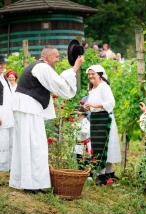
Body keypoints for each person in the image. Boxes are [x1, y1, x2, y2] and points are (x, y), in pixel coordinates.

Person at [9, 47, 84, 192]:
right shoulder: (42, 67)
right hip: (28, 108)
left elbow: (57, 81)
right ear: (48, 56)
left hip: (25, 107)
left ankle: (27, 182)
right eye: (56, 57)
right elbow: (60, 85)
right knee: (34, 145)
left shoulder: (39, 67)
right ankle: (31, 184)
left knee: (27, 144)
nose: (58, 59)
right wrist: (75, 68)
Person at [84, 64, 121, 185]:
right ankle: (109, 173)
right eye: (89, 74)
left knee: (104, 146)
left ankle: (102, 175)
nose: (90, 76)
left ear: (99, 75)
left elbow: (111, 103)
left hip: (104, 119)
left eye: (92, 74)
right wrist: (87, 106)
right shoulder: (92, 89)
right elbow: (92, 104)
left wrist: (94, 105)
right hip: (95, 119)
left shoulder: (104, 87)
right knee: (99, 145)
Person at [0, 55, 14, 171]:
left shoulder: (4, 78)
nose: (1, 66)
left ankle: (8, 167)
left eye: (3, 64)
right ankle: (2, 168)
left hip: (8, 115)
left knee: (9, 142)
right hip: (1, 115)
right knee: (2, 142)